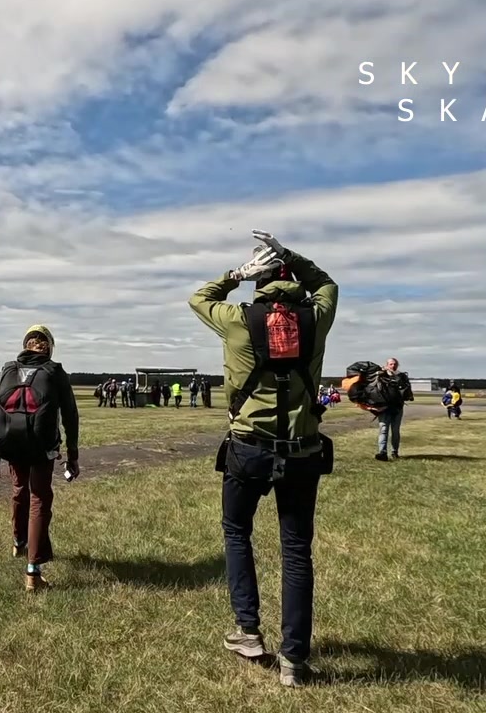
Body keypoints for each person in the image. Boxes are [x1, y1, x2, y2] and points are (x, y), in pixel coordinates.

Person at [189, 229, 338, 687]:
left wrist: (235, 274)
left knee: (237, 532)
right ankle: (294, 658)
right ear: (291, 276)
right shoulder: (316, 317)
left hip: (249, 447)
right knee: (296, 551)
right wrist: (289, 255)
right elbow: (326, 284)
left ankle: (249, 631)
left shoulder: (237, 319)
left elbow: (199, 298)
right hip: (302, 449)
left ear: (259, 280)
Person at [0, 325, 80, 592]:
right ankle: (33, 572)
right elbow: (70, 416)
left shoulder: (8, 369)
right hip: (42, 446)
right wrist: (73, 456)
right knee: (39, 498)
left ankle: (19, 543)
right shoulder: (54, 371)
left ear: (25, 344)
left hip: (11, 443)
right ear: (49, 347)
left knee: (19, 489)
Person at [375, 358, 414, 461]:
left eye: (395, 364)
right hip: (384, 408)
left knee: (395, 431)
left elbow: (406, 391)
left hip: (397, 407)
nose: (393, 366)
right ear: (387, 365)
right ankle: (382, 453)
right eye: (391, 364)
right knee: (383, 430)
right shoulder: (381, 375)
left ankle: (394, 452)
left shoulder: (401, 377)